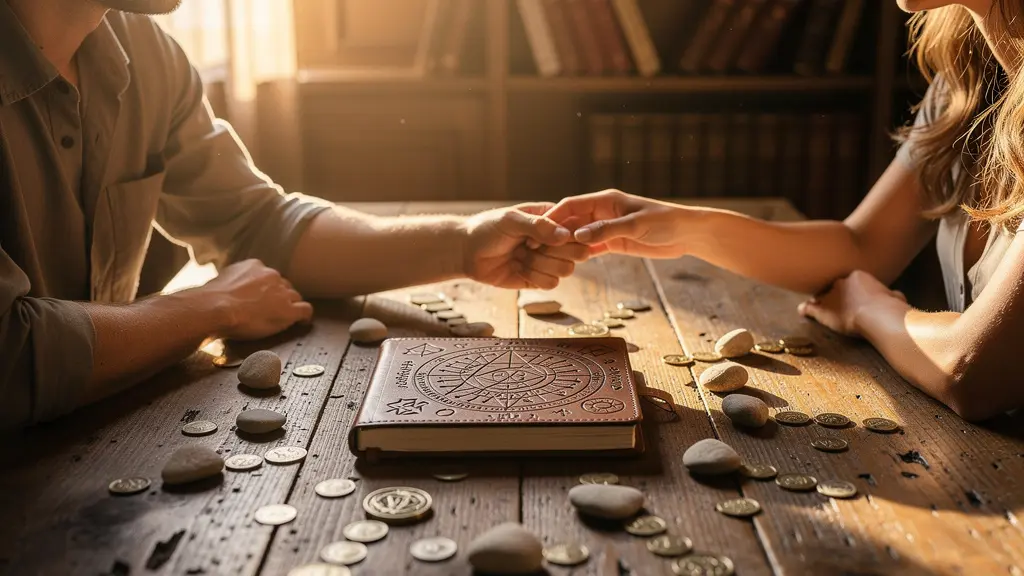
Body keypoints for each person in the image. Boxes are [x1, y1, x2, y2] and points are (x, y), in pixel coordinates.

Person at [0, 0, 583, 428]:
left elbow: (258, 225)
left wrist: (461, 244)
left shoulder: (147, 52)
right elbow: (10, 358)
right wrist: (211, 304)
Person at [547, 0, 1024, 421]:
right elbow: (863, 249)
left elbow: (974, 372)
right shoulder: (967, 78)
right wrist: (685, 227)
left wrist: (869, 310)